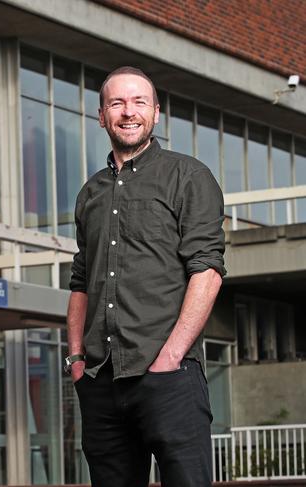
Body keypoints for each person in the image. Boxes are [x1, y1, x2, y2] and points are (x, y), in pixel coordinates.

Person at [66, 66, 225, 487]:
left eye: (139, 102)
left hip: (169, 378)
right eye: (117, 102)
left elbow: (206, 272)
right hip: (101, 381)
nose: (128, 111)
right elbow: (80, 281)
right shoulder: (90, 194)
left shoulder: (188, 177)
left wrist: (170, 357)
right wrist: (77, 358)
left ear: (156, 112)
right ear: (101, 116)